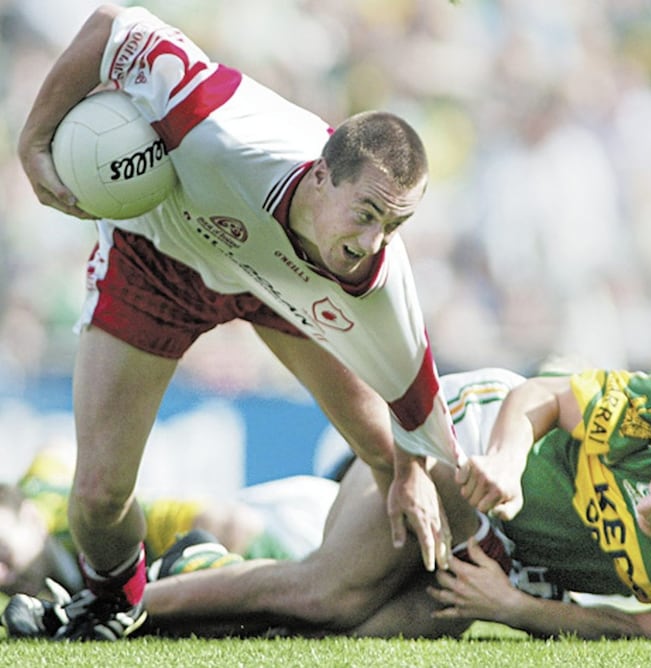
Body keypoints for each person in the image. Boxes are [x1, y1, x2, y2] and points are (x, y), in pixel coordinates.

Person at [15, 4, 504, 640]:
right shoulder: (220, 126)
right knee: (100, 498)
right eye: (367, 214)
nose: (375, 240)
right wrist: (33, 141)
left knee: (386, 457)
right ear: (323, 174)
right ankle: (114, 600)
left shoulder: (375, 274)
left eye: (394, 225)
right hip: (158, 259)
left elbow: (415, 397)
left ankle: (408, 582)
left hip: (283, 284)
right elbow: (112, 26)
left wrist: (409, 474)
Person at [9, 367, 651, 640]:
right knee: (325, 591)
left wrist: (512, 609)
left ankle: (198, 573)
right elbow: (546, 396)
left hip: (519, 562)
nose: (644, 508)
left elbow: (650, 629)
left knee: (353, 628)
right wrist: (509, 464)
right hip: (471, 448)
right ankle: (94, 608)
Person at [0, 444, 340, 599]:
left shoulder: (86, 520)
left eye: (2, 551)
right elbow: (53, 454)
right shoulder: (32, 498)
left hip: (294, 525)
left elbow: (229, 526)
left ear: (32, 519)